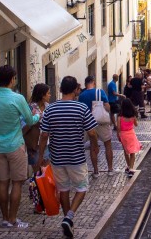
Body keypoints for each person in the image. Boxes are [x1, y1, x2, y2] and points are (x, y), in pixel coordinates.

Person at [35, 76, 99, 238]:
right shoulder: (81, 108)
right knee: (82, 188)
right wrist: (94, 145)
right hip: (76, 157)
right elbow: (91, 132)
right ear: (74, 90)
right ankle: (69, 217)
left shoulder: (50, 109)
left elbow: (44, 136)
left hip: (57, 158)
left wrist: (40, 156)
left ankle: (66, 220)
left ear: (61, 89)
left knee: (63, 190)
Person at [0, 65, 39, 229]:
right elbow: (29, 121)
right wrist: (37, 116)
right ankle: (13, 219)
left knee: (3, 183)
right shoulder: (17, 99)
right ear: (12, 79)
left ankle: (5, 218)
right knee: (17, 183)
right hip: (15, 146)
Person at [78, 76, 117, 177]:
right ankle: (110, 169)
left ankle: (96, 171)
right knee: (108, 145)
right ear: (94, 83)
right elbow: (108, 107)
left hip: (88, 123)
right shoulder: (100, 92)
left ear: (85, 84)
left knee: (92, 145)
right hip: (101, 122)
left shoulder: (81, 95)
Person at [26, 83, 51, 174]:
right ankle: (37, 187)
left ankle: (45, 188)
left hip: (46, 143)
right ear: (42, 95)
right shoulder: (30, 108)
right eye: (48, 93)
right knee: (37, 171)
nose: (50, 95)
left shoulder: (48, 107)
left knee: (46, 169)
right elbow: (25, 125)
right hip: (34, 143)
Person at [116, 98, 142, 178]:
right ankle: (131, 168)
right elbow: (136, 125)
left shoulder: (120, 117)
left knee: (126, 151)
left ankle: (128, 166)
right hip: (131, 134)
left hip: (123, 135)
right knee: (132, 152)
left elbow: (118, 128)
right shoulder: (133, 116)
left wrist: (118, 136)